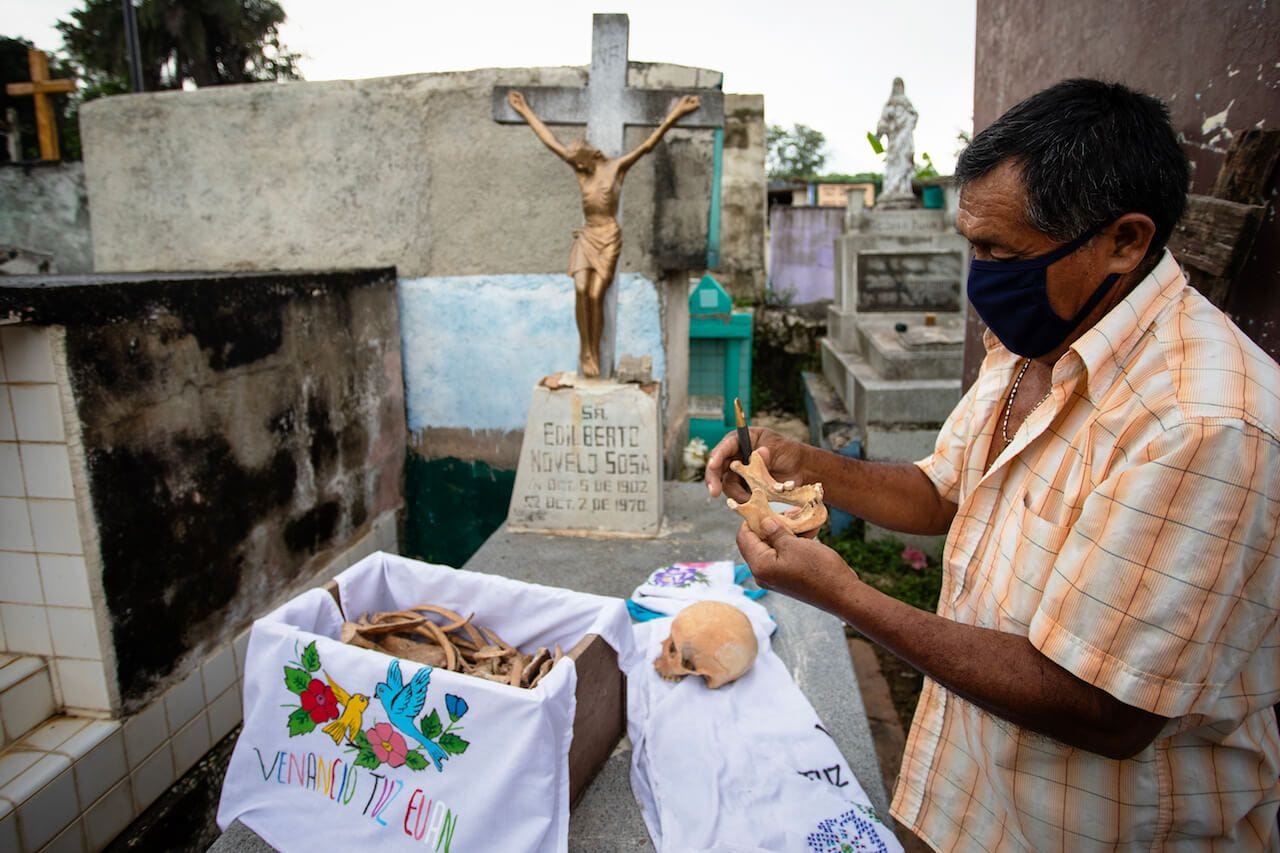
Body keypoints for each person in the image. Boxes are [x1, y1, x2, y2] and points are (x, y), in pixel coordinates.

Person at [707, 79, 1279, 851]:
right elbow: (941, 493)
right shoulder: (1035, 341)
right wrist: (800, 460)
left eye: (1000, 251)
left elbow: (1102, 707)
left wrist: (845, 594)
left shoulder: (1205, 425)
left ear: (1125, 240)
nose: (981, 281)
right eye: (973, 244)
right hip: (967, 795)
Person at [507, 90, 701, 378]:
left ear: (591, 154)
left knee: (596, 292)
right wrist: (525, 111)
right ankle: (586, 350)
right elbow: (550, 142)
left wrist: (676, 113)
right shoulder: (580, 172)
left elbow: (649, 145)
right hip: (587, 235)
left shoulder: (616, 169)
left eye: (578, 159)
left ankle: (595, 351)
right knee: (581, 288)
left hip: (609, 236)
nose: (576, 164)